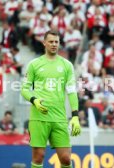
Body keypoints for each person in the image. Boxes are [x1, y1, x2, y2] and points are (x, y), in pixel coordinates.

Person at [21, 30, 81, 168]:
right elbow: (24, 89)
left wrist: (75, 116)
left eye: (56, 42)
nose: (54, 44)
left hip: (59, 117)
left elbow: (72, 91)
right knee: (38, 157)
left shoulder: (67, 65)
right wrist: (34, 100)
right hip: (39, 117)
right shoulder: (34, 64)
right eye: (51, 41)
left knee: (66, 158)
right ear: (44, 43)